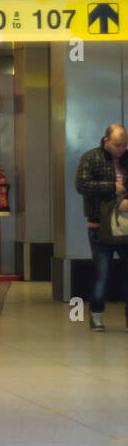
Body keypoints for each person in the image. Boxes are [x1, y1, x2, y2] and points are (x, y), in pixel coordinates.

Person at [75, 124, 128, 332]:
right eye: (117, 145)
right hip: (99, 225)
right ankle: (96, 316)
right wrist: (111, 188)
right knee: (102, 273)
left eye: (124, 145)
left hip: (125, 226)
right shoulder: (91, 158)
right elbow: (81, 185)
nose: (121, 149)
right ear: (106, 141)